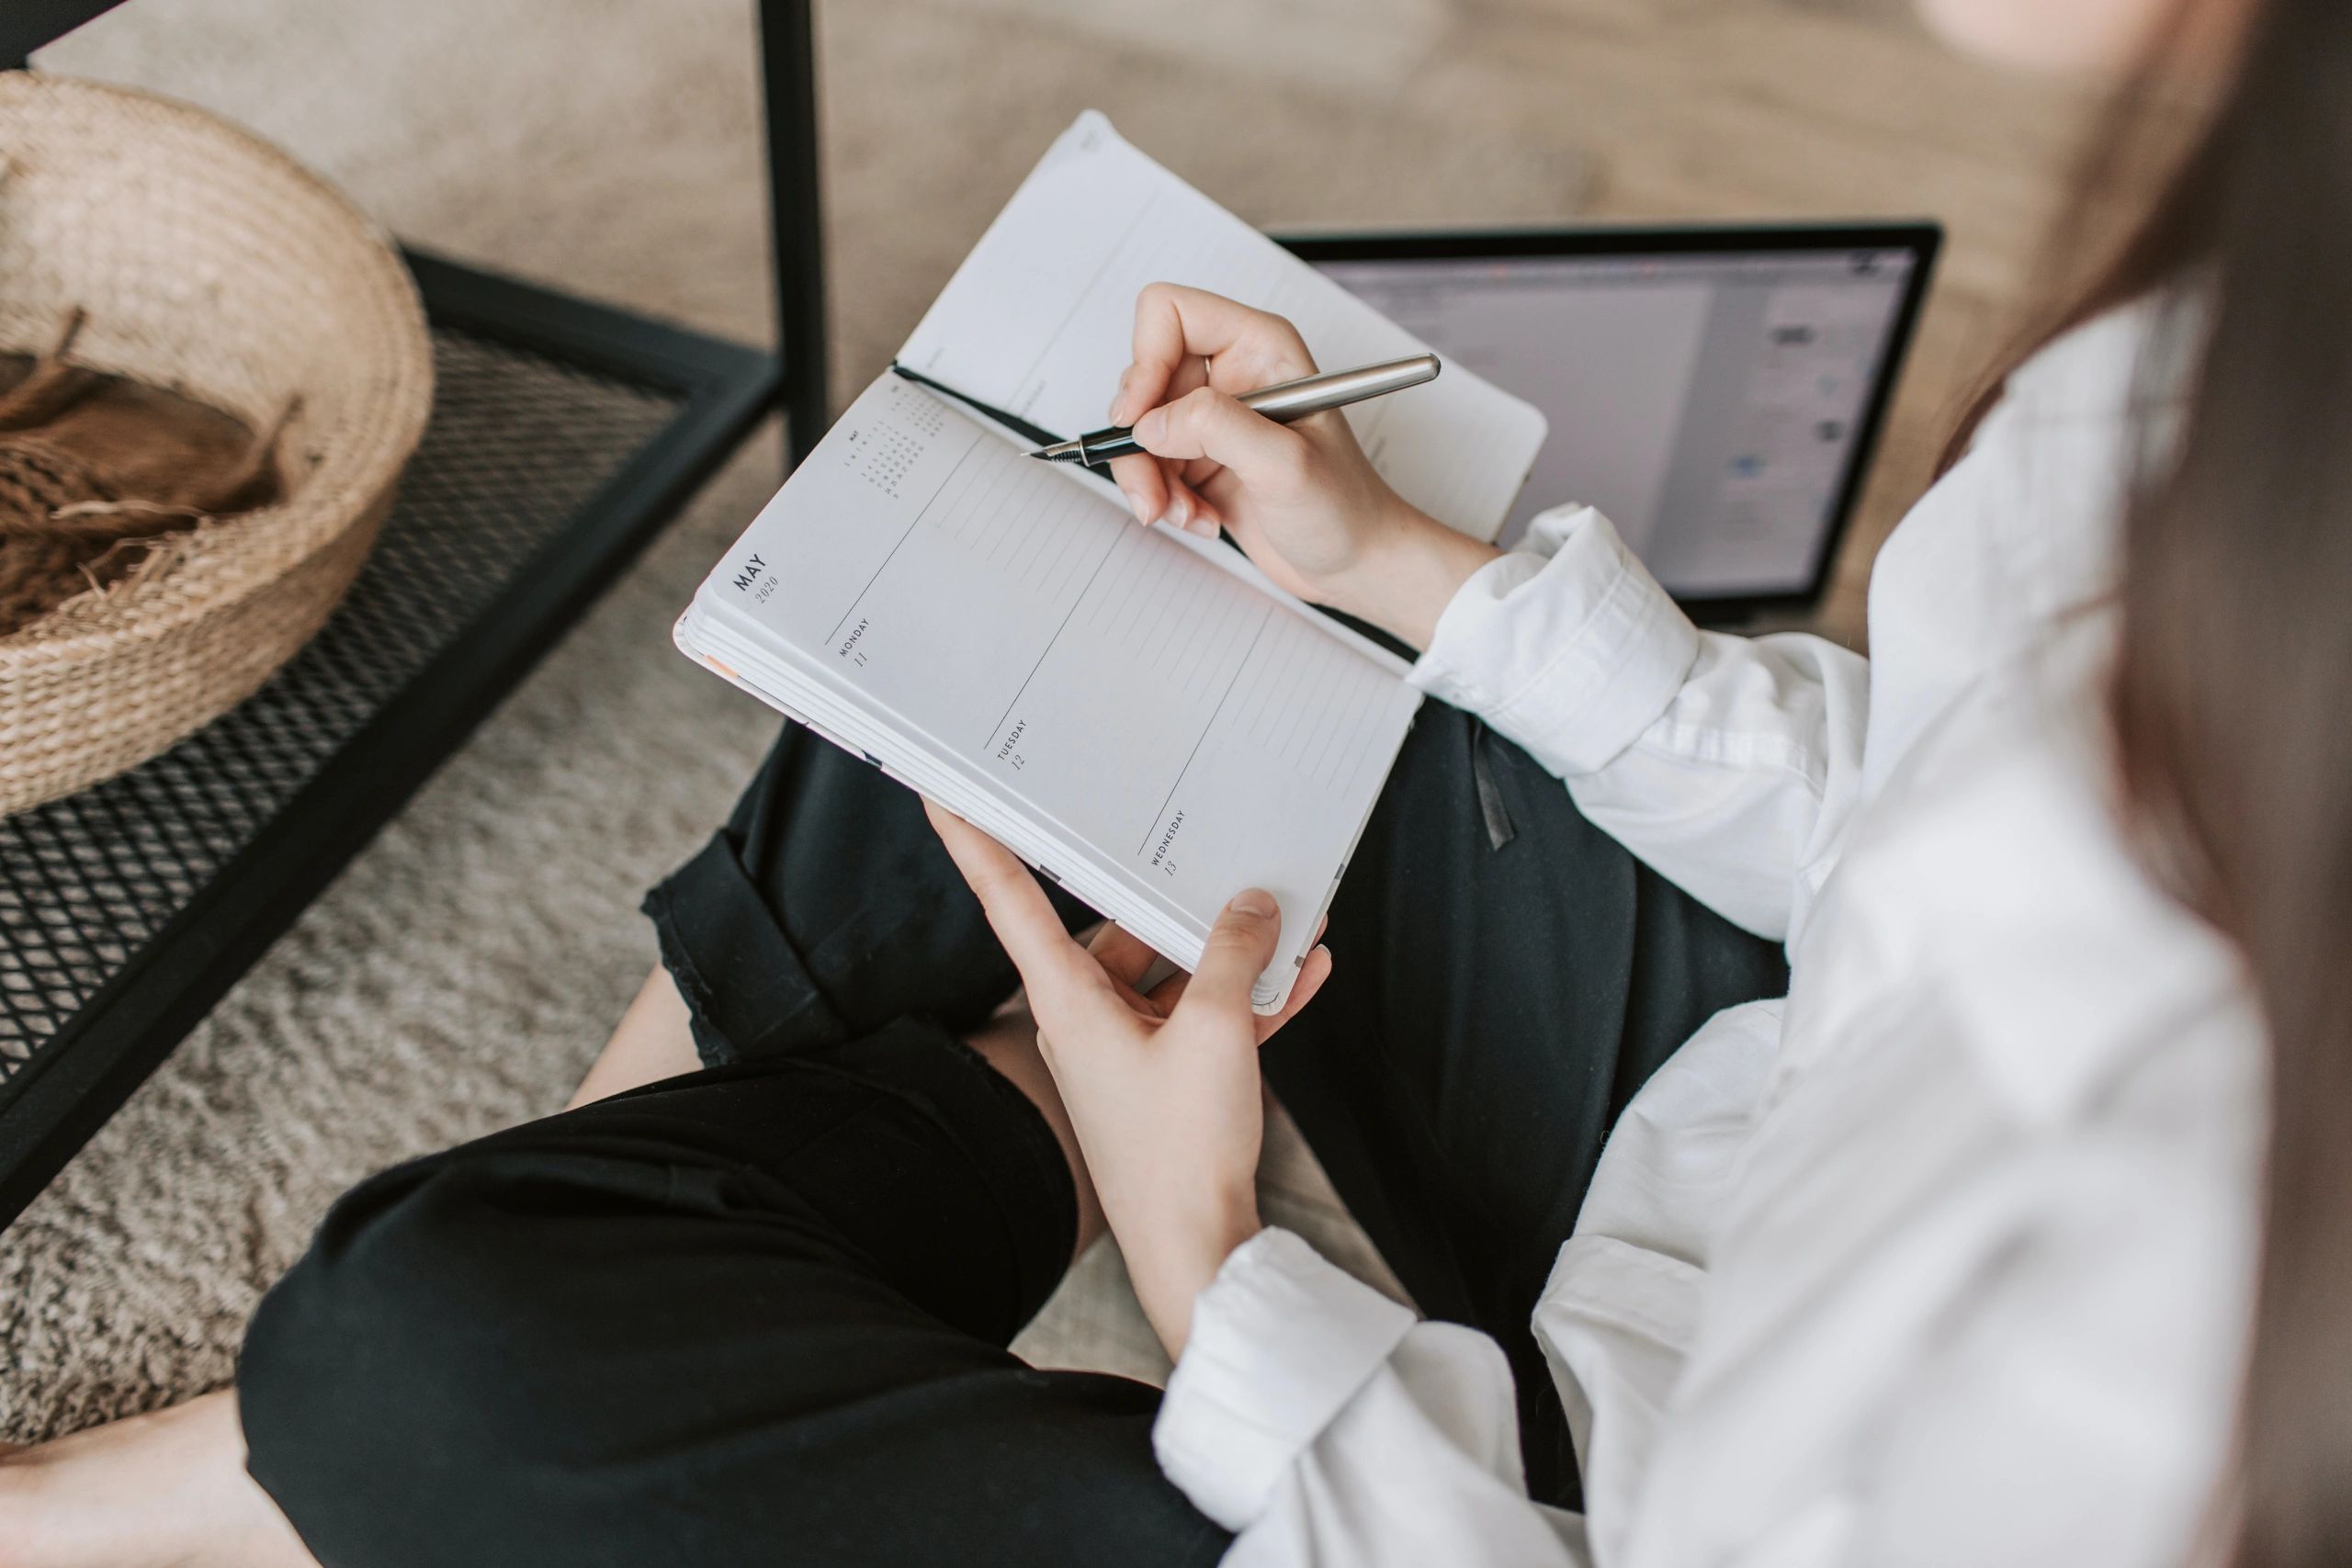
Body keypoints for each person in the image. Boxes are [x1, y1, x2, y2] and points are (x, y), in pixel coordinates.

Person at [4, 0, 2344, 1558]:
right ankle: (558, 1259)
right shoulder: (2238, 325)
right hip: (1757, 1111)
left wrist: (1203, 1247)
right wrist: (1418, 574)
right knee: (1086, 580)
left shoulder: (2199, 1311)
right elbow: (1923, 821)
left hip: (1582, 1503)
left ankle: (285, 1441)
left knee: (405, 1353)